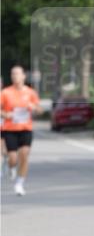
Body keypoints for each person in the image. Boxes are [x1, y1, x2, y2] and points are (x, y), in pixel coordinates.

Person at [1, 65, 43, 196]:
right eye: (13, 74)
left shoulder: (31, 92)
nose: (15, 76)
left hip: (25, 129)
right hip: (10, 129)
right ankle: (11, 166)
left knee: (24, 155)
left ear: (24, 76)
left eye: (17, 74)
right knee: (13, 158)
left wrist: (34, 108)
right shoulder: (5, 92)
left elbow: (40, 110)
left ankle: (19, 183)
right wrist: (5, 115)